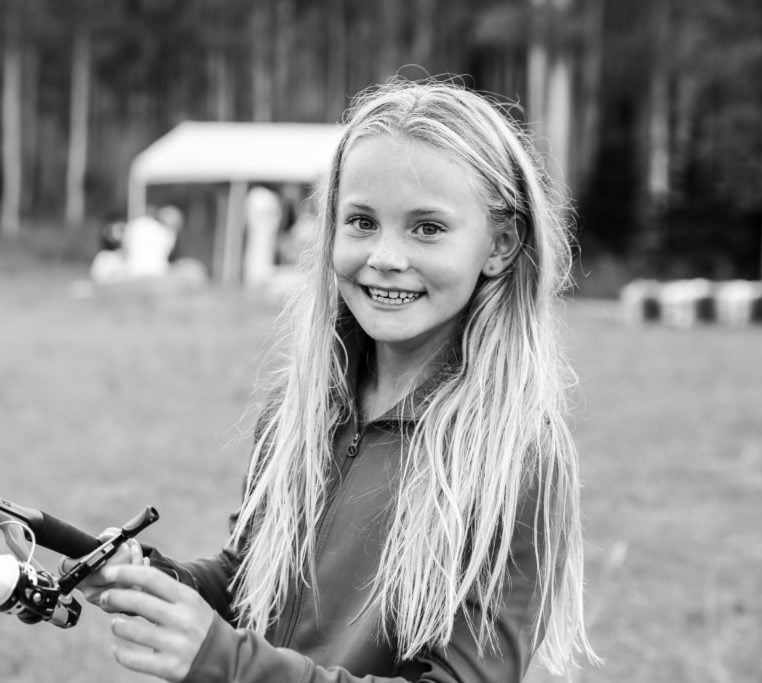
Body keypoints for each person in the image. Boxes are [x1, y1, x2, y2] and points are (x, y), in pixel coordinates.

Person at [71, 78, 596, 682]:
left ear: (500, 245)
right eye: (362, 222)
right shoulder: (301, 413)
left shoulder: (517, 453)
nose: (385, 257)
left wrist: (227, 662)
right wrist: (157, 582)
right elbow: (254, 578)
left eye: (427, 228)